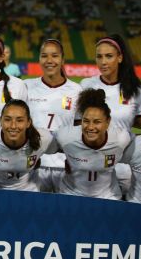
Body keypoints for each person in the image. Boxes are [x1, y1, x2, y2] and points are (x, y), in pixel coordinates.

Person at [80, 34, 141, 195]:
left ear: (120, 58)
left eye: (109, 56)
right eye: (99, 56)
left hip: (123, 167)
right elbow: (77, 125)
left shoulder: (136, 90)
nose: (103, 62)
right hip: (90, 163)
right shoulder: (86, 85)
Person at [25, 39, 82, 192]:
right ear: (39, 59)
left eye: (55, 56)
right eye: (44, 56)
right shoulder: (26, 86)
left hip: (65, 166)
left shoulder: (77, 90)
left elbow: (78, 130)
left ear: (63, 59)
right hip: (33, 165)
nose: (49, 60)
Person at [55, 89, 131, 200]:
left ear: (108, 122)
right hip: (71, 196)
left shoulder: (121, 139)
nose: (90, 127)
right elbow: (42, 145)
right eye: (86, 121)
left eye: (97, 122)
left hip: (109, 198)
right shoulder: (65, 136)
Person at [0, 99, 56, 191]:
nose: (13, 126)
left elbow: (64, 144)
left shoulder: (43, 138)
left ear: (28, 123)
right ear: (1, 121)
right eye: (7, 119)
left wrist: (71, 161)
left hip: (26, 189)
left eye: (19, 120)